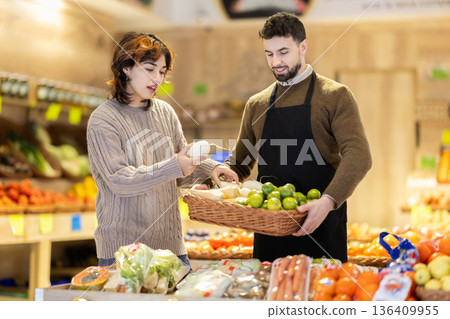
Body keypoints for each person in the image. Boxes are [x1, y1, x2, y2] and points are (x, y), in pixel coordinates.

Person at [225, 12, 371, 262]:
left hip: (321, 223)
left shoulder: (335, 96)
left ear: (303, 46)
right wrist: (216, 179)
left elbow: (359, 156)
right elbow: (239, 163)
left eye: (283, 52)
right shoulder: (256, 104)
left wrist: (327, 202)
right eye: (269, 54)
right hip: (269, 229)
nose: (275, 62)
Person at [87, 32, 239, 268]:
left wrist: (212, 169)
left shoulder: (165, 112)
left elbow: (182, 164)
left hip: (172, 248)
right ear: (126, 67)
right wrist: (175, 165)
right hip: (124, 252)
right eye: (150, 68)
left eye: (162, 71)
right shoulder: (103, 120)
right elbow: (119, 181)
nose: (157, 78)